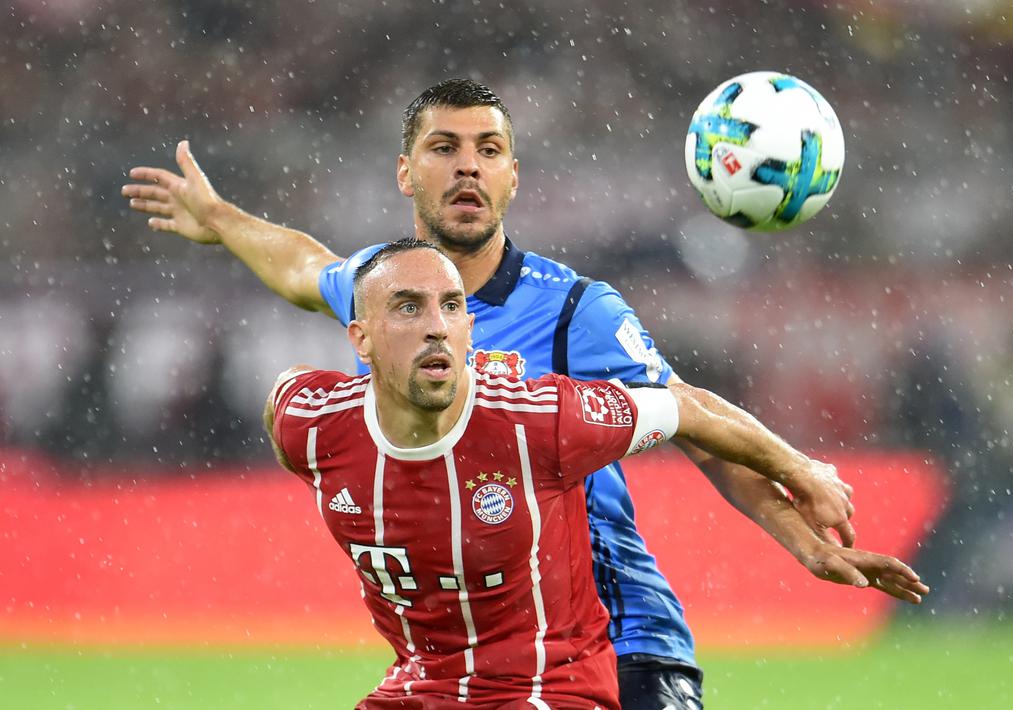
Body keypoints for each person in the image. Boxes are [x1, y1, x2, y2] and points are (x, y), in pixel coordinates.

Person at [125, 79, 928, 708]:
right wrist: (221, 217)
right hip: (468, 649)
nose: (466, 164)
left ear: (512, 176)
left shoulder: (578, 310)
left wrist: (803, 534)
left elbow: (692, 420)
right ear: (407, 172)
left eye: (488, 149)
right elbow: (301, 266)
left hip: (616, 639)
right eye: (444, 147)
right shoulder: (385, 289)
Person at [268, 239, 915, 708]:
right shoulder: (308, 420)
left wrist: (802, 476)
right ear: (360, 337)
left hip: (550, 685)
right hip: (421, 686)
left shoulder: (541, 418)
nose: (435, 326)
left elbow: (685, 408)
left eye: (449, 308)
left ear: (471, 327)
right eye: (409, 309)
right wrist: (217, 215)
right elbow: (297, 266)